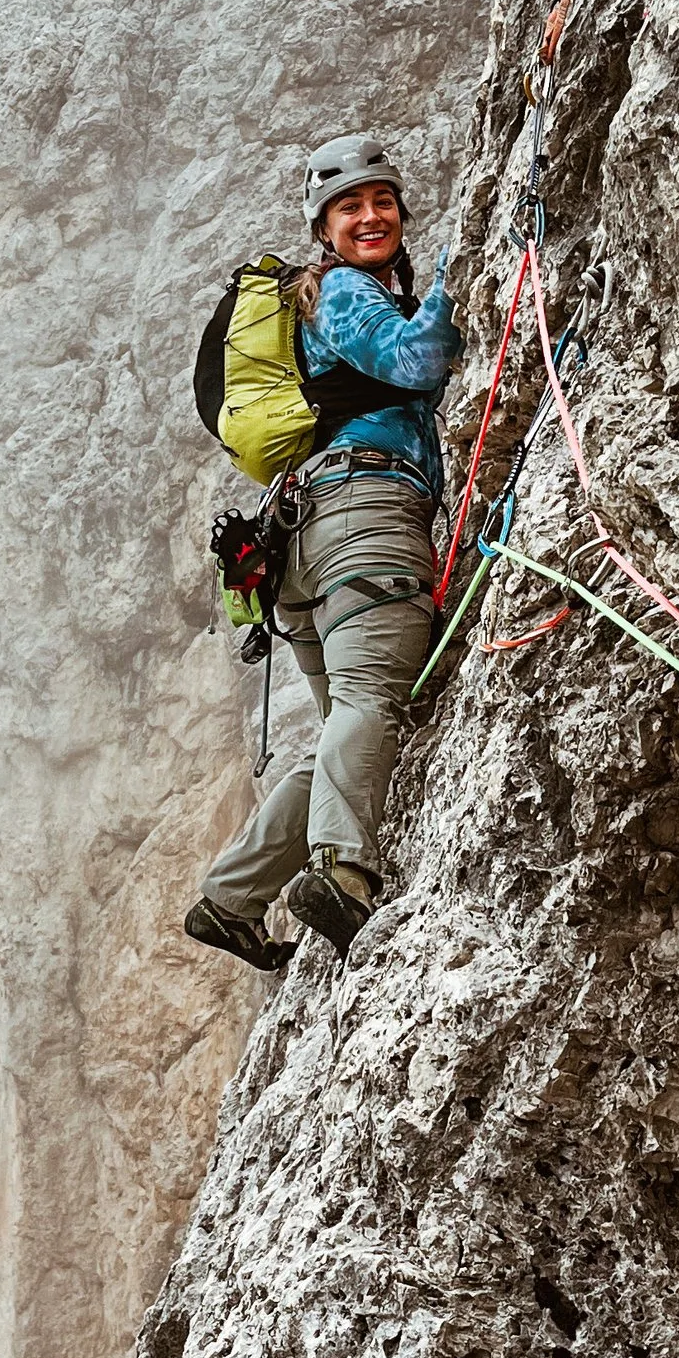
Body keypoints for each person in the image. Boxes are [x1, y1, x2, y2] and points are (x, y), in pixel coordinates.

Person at [185, 132, 459, 965]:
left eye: (383, 201)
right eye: (351, 206)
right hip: (362, 512)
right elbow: (415, 359)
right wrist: (460, 275)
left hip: (300, 544)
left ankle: (231, 896)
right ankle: (342, 873)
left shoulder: (327, 295)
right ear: (324, 229)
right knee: (374, 695)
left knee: (347, 719)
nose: (371, 215)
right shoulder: (339, 292)